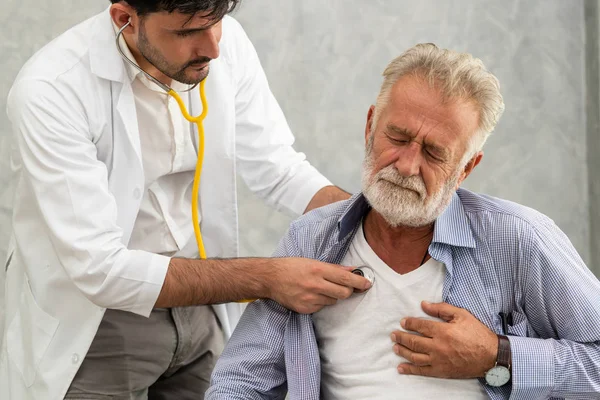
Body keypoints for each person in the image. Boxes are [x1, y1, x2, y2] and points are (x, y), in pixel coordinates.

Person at [0, 1, 372, 399]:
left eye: (217, 24)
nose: (212, 47)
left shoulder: (223, 47)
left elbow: (276, 166)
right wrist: (269, 278)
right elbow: (100, 269)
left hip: (203, 308)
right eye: (186, 32)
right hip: (97, 325)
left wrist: (367, 220)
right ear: (125, 19)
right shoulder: (51, 90)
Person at [207, 43, 600, 400]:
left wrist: (497, 355)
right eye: (397, 137)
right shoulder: (310, 240)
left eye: (434, 153)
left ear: (465, 168)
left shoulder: (518, 239)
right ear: (370, 127)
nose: (408, 165)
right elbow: (241, 382)